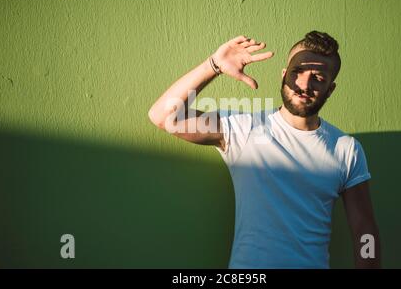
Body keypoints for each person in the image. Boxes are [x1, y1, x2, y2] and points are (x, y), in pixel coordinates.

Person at [148, 31, 381, 268]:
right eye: (297, 72)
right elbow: (163, 117)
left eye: (318, 78)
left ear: (330, 89)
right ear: (283, 75)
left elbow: (365, 232)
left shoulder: (345, 148)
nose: (304, 84)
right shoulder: (243, 128)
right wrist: (214, 65)